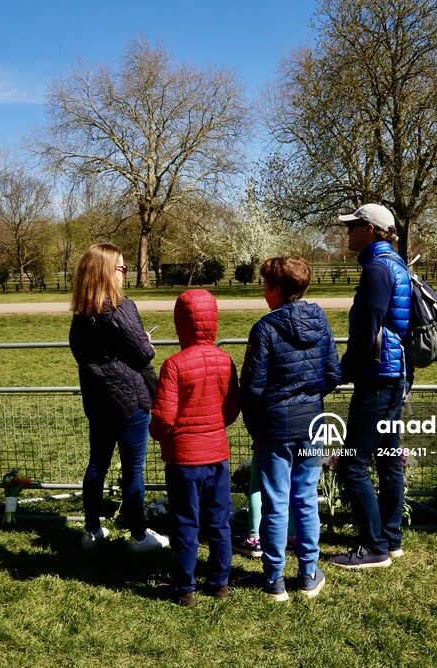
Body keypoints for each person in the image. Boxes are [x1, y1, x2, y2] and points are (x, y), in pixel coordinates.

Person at [241, 255, 340, 601]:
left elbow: (252, 387)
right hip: (312, 422)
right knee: (305, 498)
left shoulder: (265, 328)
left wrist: (260, 416)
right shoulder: (321, 321)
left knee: (276, 501)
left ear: (277, 289)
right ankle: (308, 572)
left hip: (275, 427)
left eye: (265, 285)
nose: (263, 291)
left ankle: (274, 579)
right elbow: (333, 375)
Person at [69, 243, 169, 553]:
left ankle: (92, 529)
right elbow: (143, 353)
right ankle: (139, 536)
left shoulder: (82, 314)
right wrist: (146, 341)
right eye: (121, 268)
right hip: (129, 401)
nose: (125, 274)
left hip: (98, 400)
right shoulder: (122, 307)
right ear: (105, 272)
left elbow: (81, 353)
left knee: (97, 463)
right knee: (132, 469)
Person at [331, 204, 410, 569]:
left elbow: (369, 329)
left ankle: (375, 547)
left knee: (352, 464)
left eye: (355, 226)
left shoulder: (377, 269)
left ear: (373, 230)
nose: (348, 233)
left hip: (378, 376)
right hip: (394, 375)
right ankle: (391, 539)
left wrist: (345, 368)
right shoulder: (393, 263)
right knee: (389, 459)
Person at [149, 289, 240, 607]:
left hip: (184, 459)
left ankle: (185, 588)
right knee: (219, 519)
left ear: (180, 323)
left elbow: (163, 418)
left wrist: (157, 433)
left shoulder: (173, 365)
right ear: (213, 321)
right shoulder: (225, 360)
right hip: (217, 454)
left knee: (185, 521)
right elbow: (231, 410)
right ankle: (219, 582)